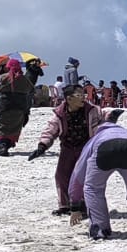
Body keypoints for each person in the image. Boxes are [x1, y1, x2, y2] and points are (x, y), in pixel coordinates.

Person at [68, 109, 127, 240]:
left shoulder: (95, 138)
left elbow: (78, 172)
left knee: (93, 189)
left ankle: (99, 228)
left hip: (104, 147)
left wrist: (74, 204)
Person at [28, 83, 104, 215]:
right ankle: (64, 205)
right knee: (62, 176)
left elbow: (104, 118)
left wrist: (113, 117)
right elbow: (50, 130)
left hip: (85, 148)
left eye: (83, 95)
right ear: (69, 99)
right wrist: (42, 146)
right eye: (79, 95)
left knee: (84, 177)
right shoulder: (59, 113)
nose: (83, 98)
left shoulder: (92, 110)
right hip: (67, 148)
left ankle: (83, 204)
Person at [0, 59, 33, 157]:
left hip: (4, 106)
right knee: (14, 127)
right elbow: (31, 90)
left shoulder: (3, 77)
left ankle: (2, 147)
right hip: (20, 107)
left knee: (0, 126)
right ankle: (7, 145)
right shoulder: (25, 79)